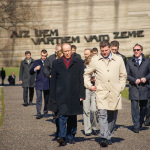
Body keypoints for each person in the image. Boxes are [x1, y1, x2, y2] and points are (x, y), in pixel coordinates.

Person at [84, 40, 127, 147]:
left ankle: (109, 135)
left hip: (114, 92)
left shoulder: (118, 59)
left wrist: (120, 87)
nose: (104, 52)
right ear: (100, 50)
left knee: (112, 116)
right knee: (102, 114)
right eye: (102, 51)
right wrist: (90, 85)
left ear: (110, 48)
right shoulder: (95, 60)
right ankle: (103, 137)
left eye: (106, 50)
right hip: (101, 92)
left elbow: (123, 75)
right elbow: (87, 74)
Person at [50, 43, 85, 146]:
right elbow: (53, 81)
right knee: (62, 115)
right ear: (62, 51)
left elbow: (81, 79)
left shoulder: (78, 62)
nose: (67, 53)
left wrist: (82, 95)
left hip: (74, 94)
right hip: (61, 94)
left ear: (71, 50)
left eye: (69, 50)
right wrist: (52, 96)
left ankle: (70, 136)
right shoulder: (56, 63)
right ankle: (62, 136)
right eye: (65, 51)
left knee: (72, 117)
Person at [126, 43, 150, 133]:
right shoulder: (129, 62)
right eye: (134, 50)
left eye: (138, 50)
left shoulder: (147, 61)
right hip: (134, 87)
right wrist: (133, 80)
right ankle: (136, 125)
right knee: (135, 108)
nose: (136, 51)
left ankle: (140, 122)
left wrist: (146, 78)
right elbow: (127, 75)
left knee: (144, 107)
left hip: (144, 87)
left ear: (141, 51)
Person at [43, 44, 62, 139]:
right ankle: (58, 129)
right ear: (55, 50)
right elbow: (45, 68)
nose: (60, 51)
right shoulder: (50, 58)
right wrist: (49, 75)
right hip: (53, 85)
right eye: (58, 50)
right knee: (55, 109)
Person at [83, 49, 99, 136]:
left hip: (95, 89)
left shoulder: (98, 68)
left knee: (94, 110)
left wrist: (95, 79)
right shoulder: (84, 67)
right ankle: (87, 130)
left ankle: (95, 127)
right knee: (86, 110)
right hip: (86, 89)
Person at [30, 49, 49, 119]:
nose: (44, 57)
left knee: (47, 99)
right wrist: (35, 69)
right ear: (40, 55)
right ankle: (38, 113)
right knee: (39, 99)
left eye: (45, 56)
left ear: (47, 55)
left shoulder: (49, 61)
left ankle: (46, 112)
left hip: (47, 83)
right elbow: (31, 71)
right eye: (42, 55)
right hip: (39, 83)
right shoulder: (36, 61)